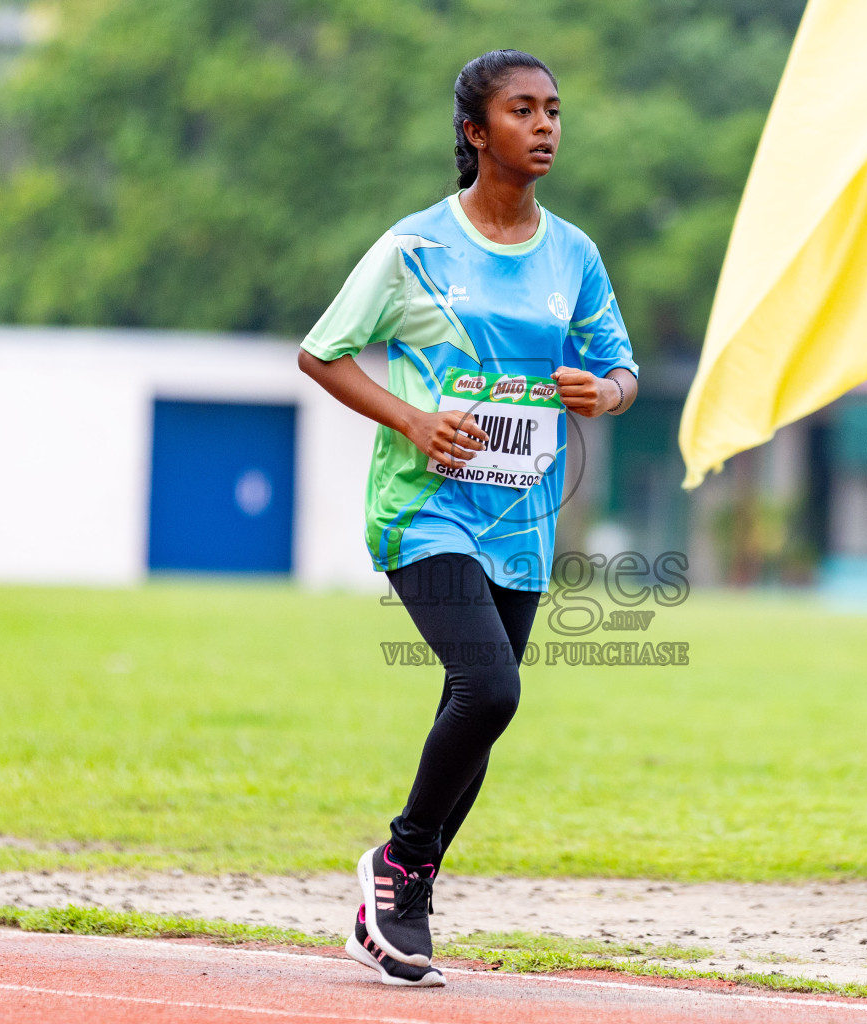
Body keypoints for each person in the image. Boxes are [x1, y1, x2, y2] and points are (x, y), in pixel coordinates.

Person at [297, 50, 639, 987]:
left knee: (475, 713)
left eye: (554, 111)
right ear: (474, 131)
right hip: (425, 509)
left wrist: (600, 394)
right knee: (490, 690)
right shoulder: (414, 248)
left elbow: (623, 368)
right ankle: (402, 865)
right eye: (522, 110)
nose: (545, 127)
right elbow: (322, 354)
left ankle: (406, 892)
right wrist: (413, 418)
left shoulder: (574, 253)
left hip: (523, 520)